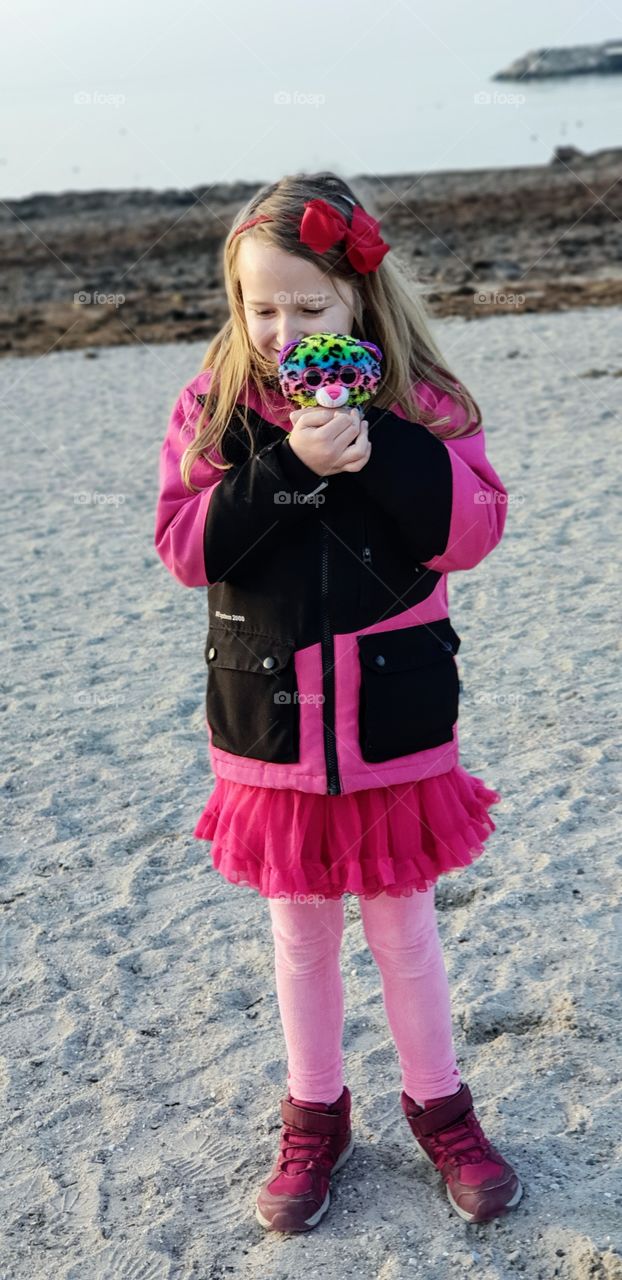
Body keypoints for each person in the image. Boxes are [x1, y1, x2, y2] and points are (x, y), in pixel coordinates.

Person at [154, 170, 523, 1233]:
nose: (281, 331)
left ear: (361, 298)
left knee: (405, 926)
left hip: (393, 716)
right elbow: (185, 546)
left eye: (308, 308)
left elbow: (472, 532)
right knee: (301, 933)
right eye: (259, 308)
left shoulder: (427, 400)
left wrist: (381, 443)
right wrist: (283, 468)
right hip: (269, 718)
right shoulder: (217, 404)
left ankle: (441, 1104)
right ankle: (313, 1114)